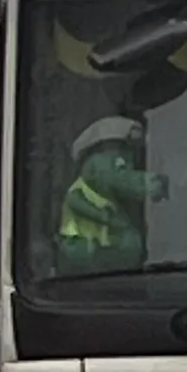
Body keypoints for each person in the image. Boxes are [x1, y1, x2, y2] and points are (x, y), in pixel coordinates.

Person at [57, 115, 162, 272]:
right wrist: (144, 183)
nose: (125, 163)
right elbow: (117, 179)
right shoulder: (78, 193)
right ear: (89, 160)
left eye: (127, 153)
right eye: (116, 154)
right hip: (80, 266)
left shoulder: (114, 201)